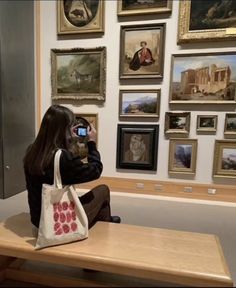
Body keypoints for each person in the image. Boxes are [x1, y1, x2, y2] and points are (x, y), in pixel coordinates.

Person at [23, 105, 120, 233]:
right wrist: (92, 144)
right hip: (56, 220)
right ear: (64, 129)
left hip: (38, 217)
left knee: (93, 203)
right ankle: (104, 224)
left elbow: (66, 169)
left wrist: (68, 141)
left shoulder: (32, 150)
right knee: (103, 190)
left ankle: (105, 220)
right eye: (70, 126)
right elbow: (95, 170)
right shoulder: (62, 157)